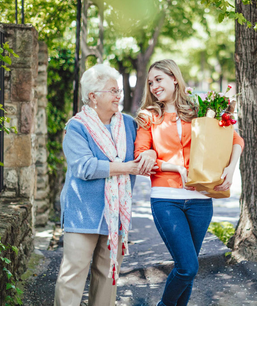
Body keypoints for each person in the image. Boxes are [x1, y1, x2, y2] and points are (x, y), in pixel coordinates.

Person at [134, 59, 244, 306]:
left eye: (158, 79)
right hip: (166, 198)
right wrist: (174, 167)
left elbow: (235, 138)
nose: (154, 86)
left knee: (189, 269)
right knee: (187, 267)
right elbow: (141, 157)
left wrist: (231, 167)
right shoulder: (148, 116)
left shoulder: (200, 109)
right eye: (150, 82)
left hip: (201, 199)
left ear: (174, 78)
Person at [54, 63, 157, 306]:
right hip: (83, 213)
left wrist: (150, 153)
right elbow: (85, 167)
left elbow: (149, 144)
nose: (119, 96)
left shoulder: (129, 124)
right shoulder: (76, 127)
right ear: (93, 96)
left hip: (116, 216)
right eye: (113, 91)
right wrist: (127, 167)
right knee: (72, 278)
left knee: (108, 277)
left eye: (119, 91)